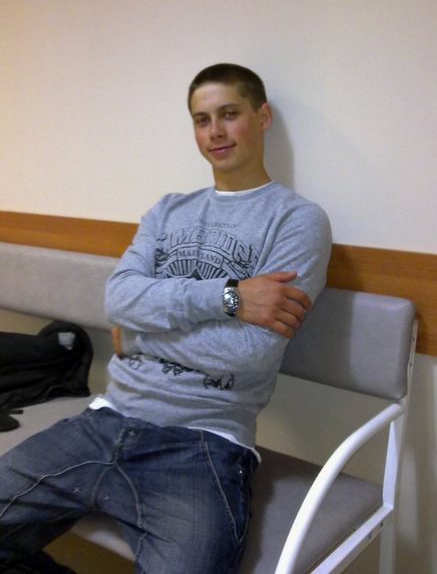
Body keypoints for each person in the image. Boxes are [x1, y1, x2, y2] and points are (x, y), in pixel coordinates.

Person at [0, 63, 332, 574]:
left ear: (262, 117)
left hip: (203, 444)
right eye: (202, 120)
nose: (215, 131)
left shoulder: (297, 220)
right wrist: (229, 297)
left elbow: (250, 353)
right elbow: (119, 298)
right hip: (105, 419)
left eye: (230, 114)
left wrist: (136, 337)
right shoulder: (168, 211)